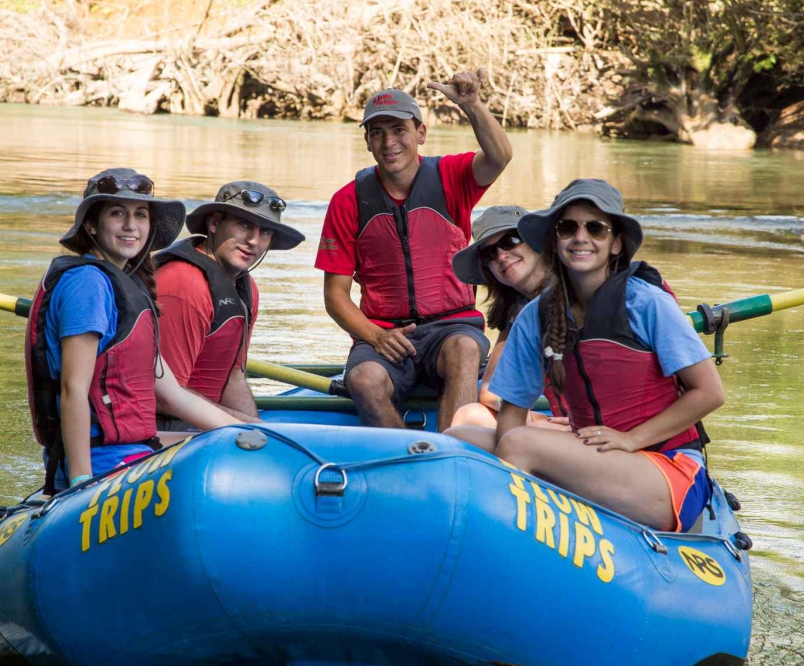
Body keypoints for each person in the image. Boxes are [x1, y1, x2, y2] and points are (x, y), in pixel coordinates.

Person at [488, 179, 725, 532]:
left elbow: (710, 392)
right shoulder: (535, 316)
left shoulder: (646, 302)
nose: (580, 237)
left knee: (521, 444)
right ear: (555, 240)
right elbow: (510, 419)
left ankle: (506, 547)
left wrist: (631, 439)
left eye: (595, 228)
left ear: (615, 244)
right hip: (595, 456)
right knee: (461, 437)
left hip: (665, 467)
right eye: (568, 227)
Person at [315, 71, 513, 429]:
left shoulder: (452, 175)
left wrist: (472, 106)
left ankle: (452, 452)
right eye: (377, 132)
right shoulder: (347, 201)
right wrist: (375, 336)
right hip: (382, 334)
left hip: (453, 329)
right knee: (363, 380)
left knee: (465, 350)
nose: (389, 142)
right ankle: (409, 456)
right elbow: (335, 296)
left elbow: (499, 157)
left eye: (399, 130)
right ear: (368, 141)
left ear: (420, 133)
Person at [25, 168, 240, 494]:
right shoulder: (88, 283)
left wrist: (251, 433)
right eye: (117, 213)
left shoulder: (129, 286)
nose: (131, 225)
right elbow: (73, 389)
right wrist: (81, 483)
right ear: (92, 225)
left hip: (132, 447)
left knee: (232, 446)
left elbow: (171, 393)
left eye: (140, 215)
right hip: (101, 463)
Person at [154, 180, 304, 428]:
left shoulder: (246, 289)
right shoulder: (183, 285)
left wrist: (254, 425)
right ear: (214, 223)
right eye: (244, 225)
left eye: (265, 232)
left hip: (207, 422)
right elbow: (164, 397)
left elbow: (234, 376)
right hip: (163, 425)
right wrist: (247, 426)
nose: (254, 241)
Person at [444, 205, 571, 452]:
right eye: (489, 253)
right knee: (468, 418)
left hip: (598, 429)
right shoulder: (519, 312)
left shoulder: (576, 293)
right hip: (563, 424)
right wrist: (536, 422)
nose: (501, 256)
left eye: (511, 241)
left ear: (538, 243)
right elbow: (490, 391)